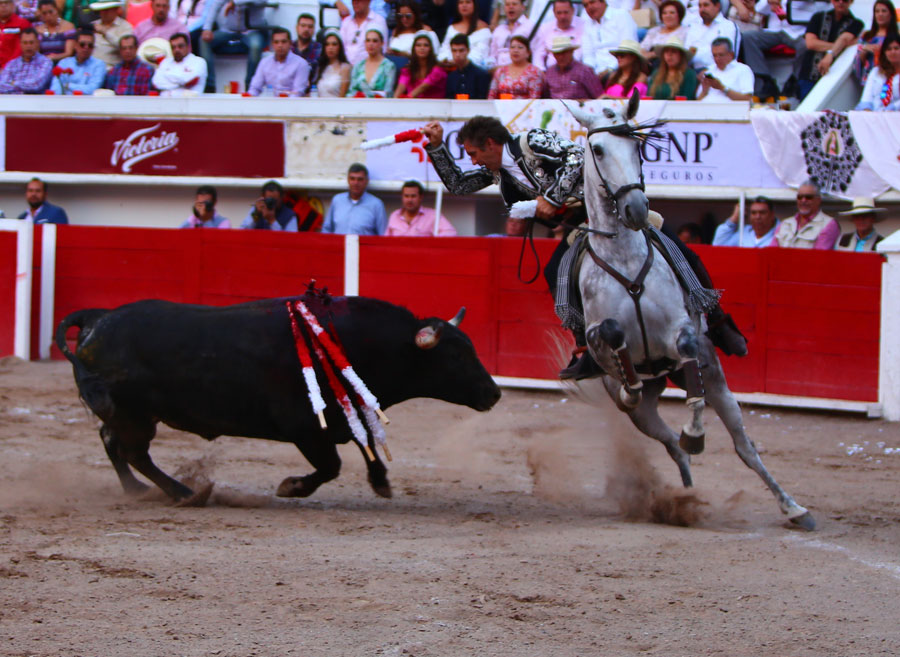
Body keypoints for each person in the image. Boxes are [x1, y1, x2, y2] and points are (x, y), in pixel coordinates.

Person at [421, 116, 748, 379]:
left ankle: (719, 322)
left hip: (607, 208)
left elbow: (578, 158)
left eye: (474, 153)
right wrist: (436, 147)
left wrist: (550, 199)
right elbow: (459, 184)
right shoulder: (495, 172)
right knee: (555, 272)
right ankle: (586, 347)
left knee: (679, 248)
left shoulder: (531, 140)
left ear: (490, 143)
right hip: (578, 225)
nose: (473, 160)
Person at [739, 0, 817, 99]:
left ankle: (795, 80)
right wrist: (769, 2)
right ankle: (765, 80)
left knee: (804, 46)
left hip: (797, 31)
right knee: (748, 37)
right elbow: (759, 9)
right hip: (774, 31)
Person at [797, 0, 864, 100]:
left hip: (833, 76)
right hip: (809, 74)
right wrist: (840, 46)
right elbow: (810, 43)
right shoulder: (818, 17)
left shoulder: (856, 23)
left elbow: (846, 39)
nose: (840, 2)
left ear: (851, 1)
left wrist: (825, 48)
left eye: (845, 0)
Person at [199, 0, 267, 93]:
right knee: (204, 41)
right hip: (228, 30)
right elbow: (215, 5)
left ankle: (250, 86)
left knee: (256, 46)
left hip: (251, 31)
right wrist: (207, 28)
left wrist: (235, 2)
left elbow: (261, 1)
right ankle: (210, 85)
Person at [322, 163, 388, 236]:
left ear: (366, 181)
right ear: (348, 180)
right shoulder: (337, 200)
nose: (356, 183)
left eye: (360, 179)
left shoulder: (376, 204)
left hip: (364, 247)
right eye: (352, 179)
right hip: (338, 246)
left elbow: (383, 235)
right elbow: (326, 230)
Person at [772, 180, 840, 249]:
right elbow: (771, 253)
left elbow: (819, 256)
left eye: (808, 197)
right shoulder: (785, 223)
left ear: (818, 200)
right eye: (800, 197)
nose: (803, 200)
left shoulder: (828, 224)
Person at [248, 27, 310, 96]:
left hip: (292, 104)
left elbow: (298, 93)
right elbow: (255, 88)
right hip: (270, 103)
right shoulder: (264, 62)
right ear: (272, 44)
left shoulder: (301, 64)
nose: (280, 45)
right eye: (276, 42)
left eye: (283, 42)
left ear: (290, 43)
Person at [581, 0, 638, 74]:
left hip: (620, 69)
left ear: (603, 2)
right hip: (596, 73)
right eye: (586, 5)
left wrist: (609, 70)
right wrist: (590, 71)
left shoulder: (621, 16)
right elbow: (588, 54)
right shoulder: (587, 25)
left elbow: (628, 50)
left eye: (592, 2)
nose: (589, 7)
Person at [386, 180, 457, 237]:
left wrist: (431, 243)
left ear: (421, 197)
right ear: (402, 197)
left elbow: (451, 233)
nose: (410, 200)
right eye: (406, 196)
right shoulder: (394, 215)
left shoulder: (432, 215)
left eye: (413, 196)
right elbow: (386, 241)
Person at [684, 0, 740, 72]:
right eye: (700, 6)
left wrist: (708, 72)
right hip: (691, 71)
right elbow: (686, 51)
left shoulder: (728, 26)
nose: (702, 9)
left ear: (717, 6)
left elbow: (729, 58)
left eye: (706, 5)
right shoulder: (693, 26)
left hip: (717, 72)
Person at [541, 35, 603, 99]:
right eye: (557, 53)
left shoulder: (584, 71)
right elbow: (546, 98)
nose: (561, 57)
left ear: (571, 52)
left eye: (564, 53)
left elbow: (599, 97)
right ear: (553, 55)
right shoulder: (550, 73)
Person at [852, 0, 898, 85]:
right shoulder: (867, 36)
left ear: (891, 14)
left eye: (884, 11)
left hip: (891, 81)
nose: (880, 14)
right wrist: (864, 51)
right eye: (877, 11)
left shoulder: (896, 36)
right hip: (870, 81)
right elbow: (857, 64)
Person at [531, 0, 584, 70]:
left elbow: (582, 51)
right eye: (559, 13)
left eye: (566, 12)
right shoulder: (545, 28)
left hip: (576, 70)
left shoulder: (582, 25)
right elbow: (538, 54)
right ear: (554, 13)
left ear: (573, 11)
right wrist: (541, 71)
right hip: (551, 72)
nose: (563, 16)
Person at [696, 37, 753, 101]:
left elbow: (747, 99)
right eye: (714, 55)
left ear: (731, 54)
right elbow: (698, 101)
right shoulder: (709, 71)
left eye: (721, 55)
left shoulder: (743, 70)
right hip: (706, 108)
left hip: (730, 109)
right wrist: (704, 91)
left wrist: (722, 88)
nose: (717, 59)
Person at [50, 29, 106, 94]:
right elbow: (55, 87)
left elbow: (92, 89)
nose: (86, 48)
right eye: (82, 44)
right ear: (75, 45)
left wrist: (67, 85)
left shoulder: (99, 65)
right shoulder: (64, 63)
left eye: (90, 45)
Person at [437, 0, 490, 69]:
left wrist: (459, 62)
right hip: (450, 69)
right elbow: (444, 50)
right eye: (461, 2)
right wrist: (447, 60)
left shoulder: (483, 29)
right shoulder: (451, 28)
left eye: (468, 2)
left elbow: (480, 55)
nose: (464, 5)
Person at [152, 31, 207, 96]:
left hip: (188, 103)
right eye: (173, 47)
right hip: (164, 102)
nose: (177, 50)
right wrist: (180, 83)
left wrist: (167, 77)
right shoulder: (165, 62)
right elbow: (156, 83)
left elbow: (189, 80)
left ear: (188, 47)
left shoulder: (199, 61)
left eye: (180, 46)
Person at [488, 35, 543, 99]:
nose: (515, 50)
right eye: (512, 47)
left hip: (524, 108)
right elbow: (492, 95)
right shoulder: (500, 71)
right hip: (501, 107)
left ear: (528, 53)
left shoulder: (534, 72)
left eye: (520, 47)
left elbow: (534, 99)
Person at [346, 26, 395, 97]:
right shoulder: (358, 66)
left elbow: (388, 92)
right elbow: (351, 90)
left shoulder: (389, 66)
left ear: (382, 43)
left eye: (375, 41)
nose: (371, 44)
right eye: (368, 40)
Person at [395, 30, 445, 98]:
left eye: (426, 45)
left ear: (430, 49)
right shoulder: (408, 70)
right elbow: (401, 86)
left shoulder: (437, 70)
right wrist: (394, 101)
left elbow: (422, 88)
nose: (422, 48)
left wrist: (407, 98)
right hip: (413, 105)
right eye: (418, 45)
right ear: (414, 48)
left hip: (434, 106)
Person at [0, 27, 52, 93]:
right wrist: (24, 86)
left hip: (35, 101)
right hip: (13, 100)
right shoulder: (12, 64)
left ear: (37, 43)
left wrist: (13, 83)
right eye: (25, 43)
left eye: (31, 42)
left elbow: (36, 85)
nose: (28, 46)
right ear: (20, 44)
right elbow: (1, 86)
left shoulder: (45, 62)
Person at [856, 33, 900, 110]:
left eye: (896, 48)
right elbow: (866, 98)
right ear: (884, 53)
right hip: (873, 116)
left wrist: (893, 108)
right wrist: (867, 111)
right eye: (889, 49)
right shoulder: (875, 71)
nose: (893, 52)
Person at [712, 197, 779, 247]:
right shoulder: (744, 233)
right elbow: (718, 246)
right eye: (753, 213)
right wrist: (734, 219)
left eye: (762, 213)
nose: (757, 217)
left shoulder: (780, 234)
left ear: (772, 215)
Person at [340, 0, 388, 67]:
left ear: (369, 1)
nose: (355, 3)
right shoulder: (346, 22)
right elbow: (341, 47)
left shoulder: (379, 21)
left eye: (359, 0)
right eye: (353, 1)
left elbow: (382, 49)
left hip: (368, 68)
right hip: (346, 67)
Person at [640, 0, 688, 65]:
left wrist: (652, 54)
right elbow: (643, 48)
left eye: (672, 13)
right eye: (664, 13)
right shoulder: (654, 31)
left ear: (679, 15)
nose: (668, 16)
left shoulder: (685, 31)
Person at [489, 0, 534, 68]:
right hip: (498, 72)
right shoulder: (498, 30)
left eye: (514, 4)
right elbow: (492, 56)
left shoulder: (531, 27)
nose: (511, 7)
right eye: (507, 4)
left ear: (523, 7)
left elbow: (536, 53)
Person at [445, 33, 491, 98]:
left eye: (461, 51)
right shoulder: (451, 77)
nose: (457, 54)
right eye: (454, 51)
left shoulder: (481, 75)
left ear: (468, 50)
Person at [90, 0, 133, 67]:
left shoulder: (125, 26)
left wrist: (106, 33)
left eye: (107, 10)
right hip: (91, 67)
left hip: (112, 68)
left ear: (116, 9)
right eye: (101, 10)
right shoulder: (93, 25)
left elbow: (125, 47)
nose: (104, 13)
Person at [313, 28, 351, 97]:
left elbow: (342, 97)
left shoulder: (345, 68)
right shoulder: (321, 67)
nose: (330, 47)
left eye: (334, 44)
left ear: (339, 46)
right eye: (327, 44)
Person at [0, 0, 31, 70]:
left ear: (13, 5)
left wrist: (6, 67)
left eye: (6, 2)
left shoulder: (23, 24)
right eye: (0, 3)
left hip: (15, 68)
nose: (3, 5)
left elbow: (22, 49)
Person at [293, 13, 320, 85]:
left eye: (310, 27)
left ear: (314, 30)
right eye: (303, 26)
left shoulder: (320, 50)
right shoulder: (289, 49)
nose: (306, 29)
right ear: (296, 28)